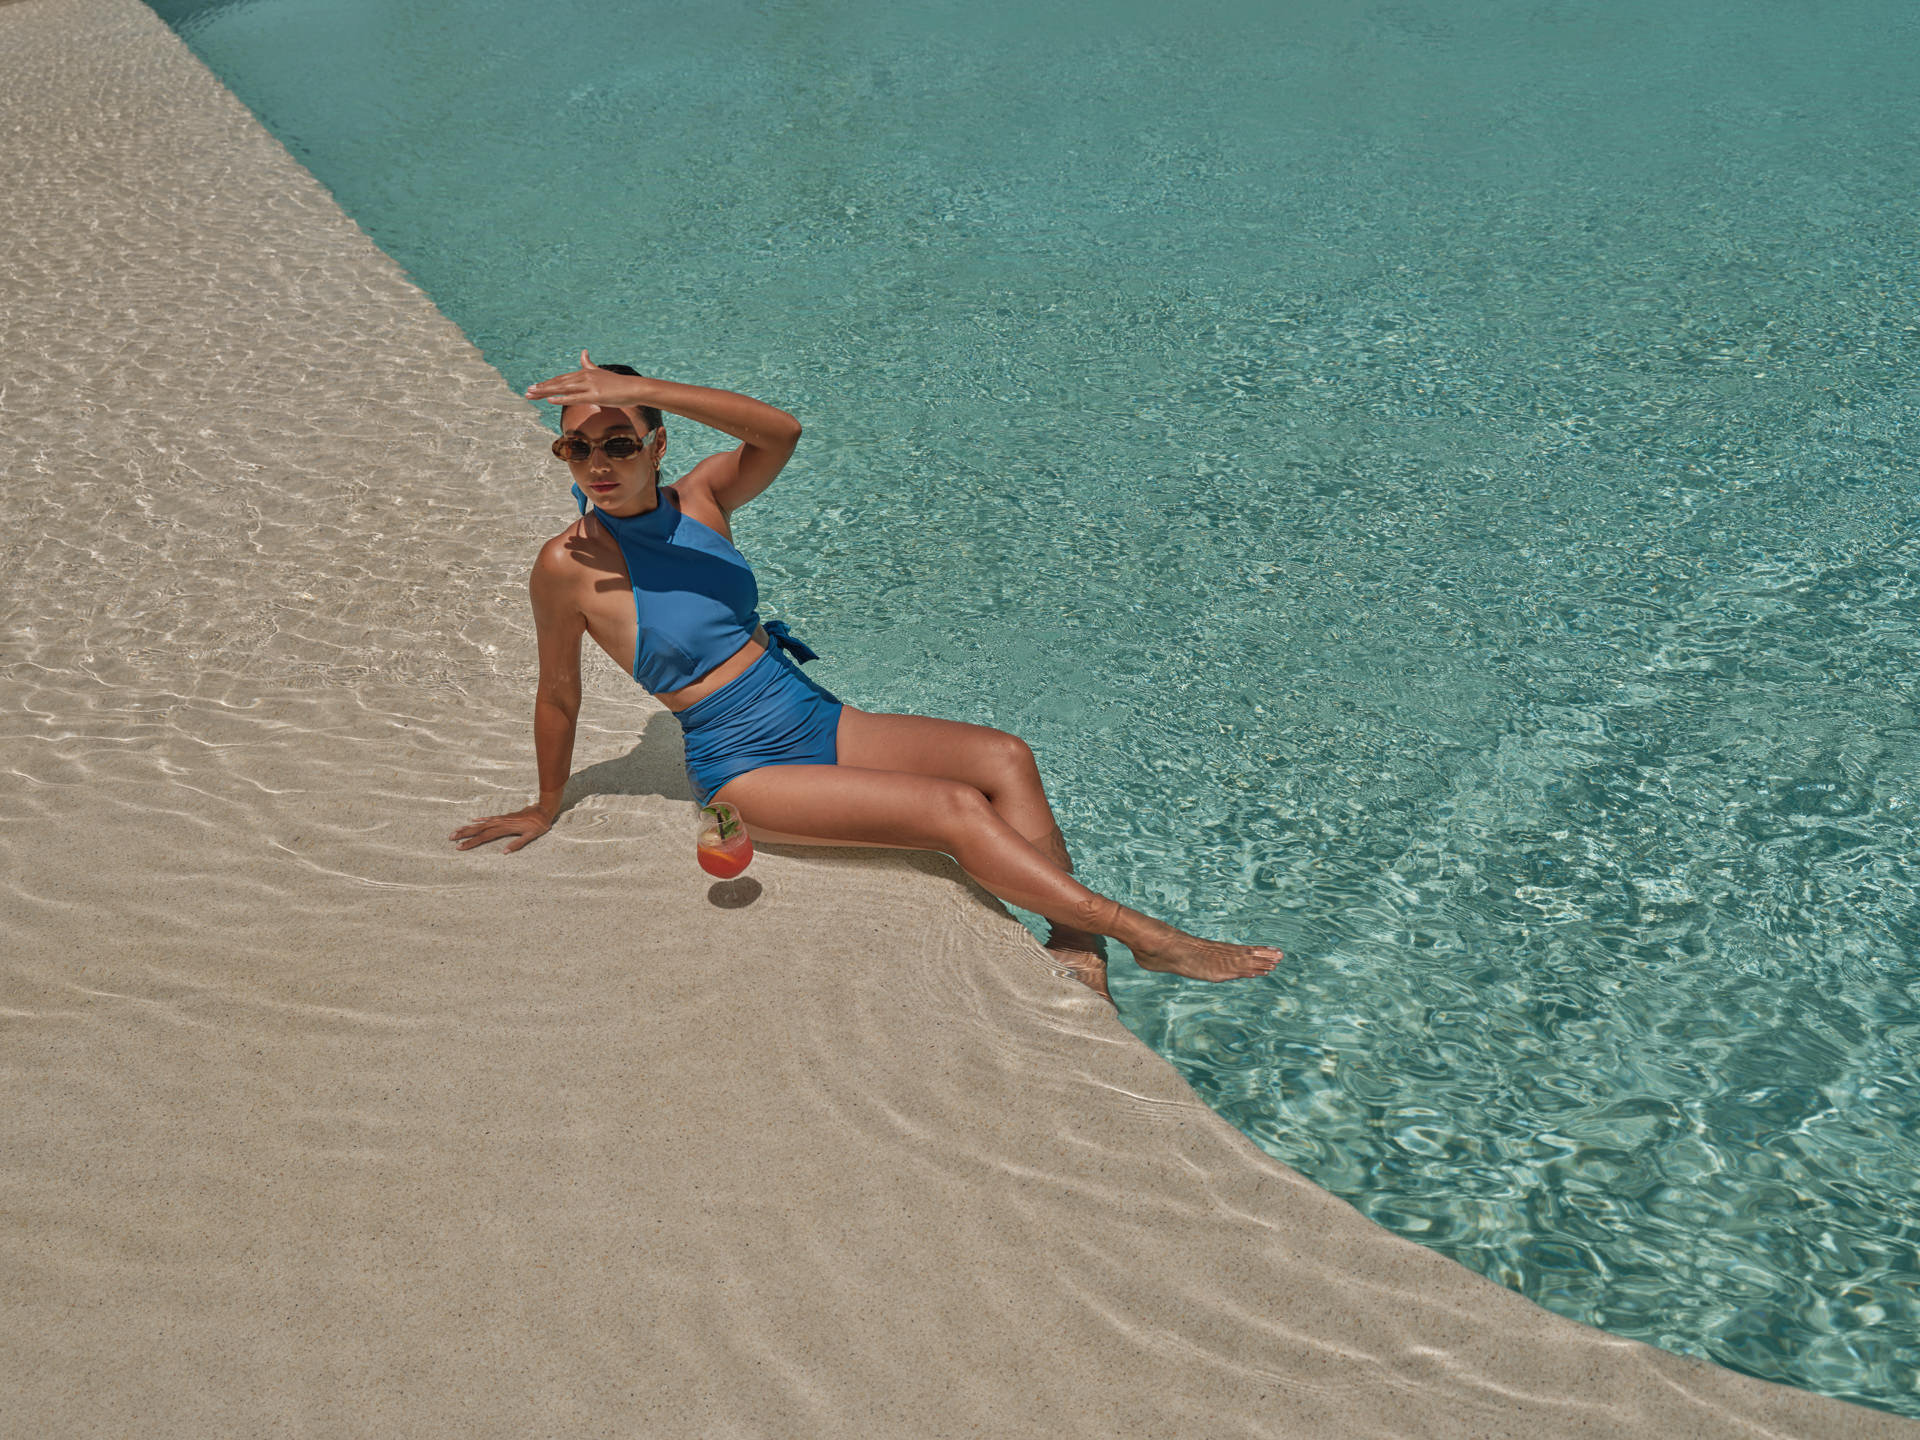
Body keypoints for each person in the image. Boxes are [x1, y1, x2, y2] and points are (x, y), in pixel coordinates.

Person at [451, 354, 1283, 1001]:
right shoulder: (566, 565)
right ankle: (1146, 937)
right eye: (577, 445)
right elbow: (558, 691)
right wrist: (546, 802)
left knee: (1004, 757)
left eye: (619, 441)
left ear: (658, 445)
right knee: (954, 811)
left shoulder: (701, 499)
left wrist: (638, 388)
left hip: (811, 714)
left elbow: (781, 433)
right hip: (744, 766)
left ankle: (1077, 945)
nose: (597, 462)